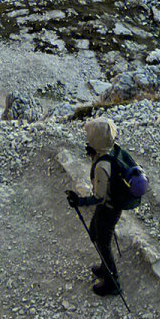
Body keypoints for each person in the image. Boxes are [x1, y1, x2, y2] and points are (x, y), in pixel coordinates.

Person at [66, 116, 125, 297]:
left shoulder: (102, 165)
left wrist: (79, 201)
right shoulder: (110, 151)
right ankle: (104, 268)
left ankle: (112, 282)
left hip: (109, 208)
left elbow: (99, 197)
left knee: (103, 242)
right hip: (111, 206)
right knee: (96, 233)